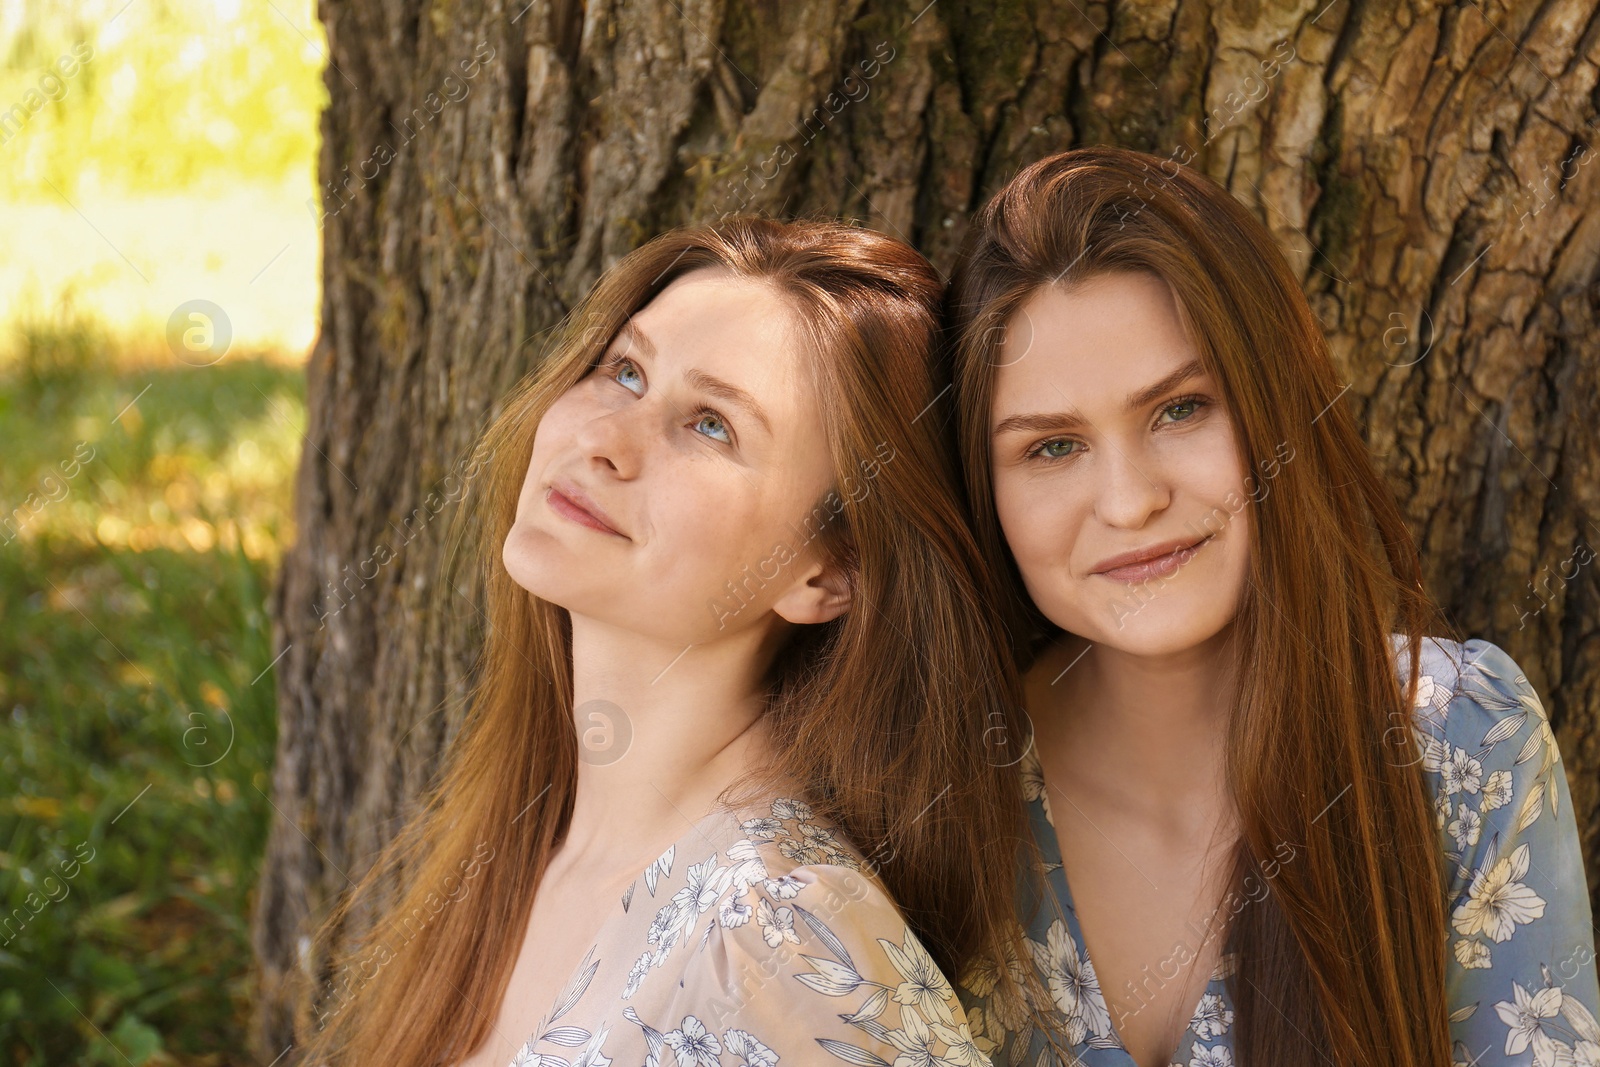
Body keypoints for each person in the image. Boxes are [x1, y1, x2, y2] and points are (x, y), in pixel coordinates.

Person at [292, 216, 1038, 1067]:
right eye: (625, 370)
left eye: (711, 424)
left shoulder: (780, 947)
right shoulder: (533, 840)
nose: (603, 440)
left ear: (827, 574)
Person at [941, 145, 1600, 1067]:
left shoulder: (1462, 742)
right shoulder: (933, 782)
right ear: (986, 487)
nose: (1129, 502)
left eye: (1180, 409)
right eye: (1052, 447)